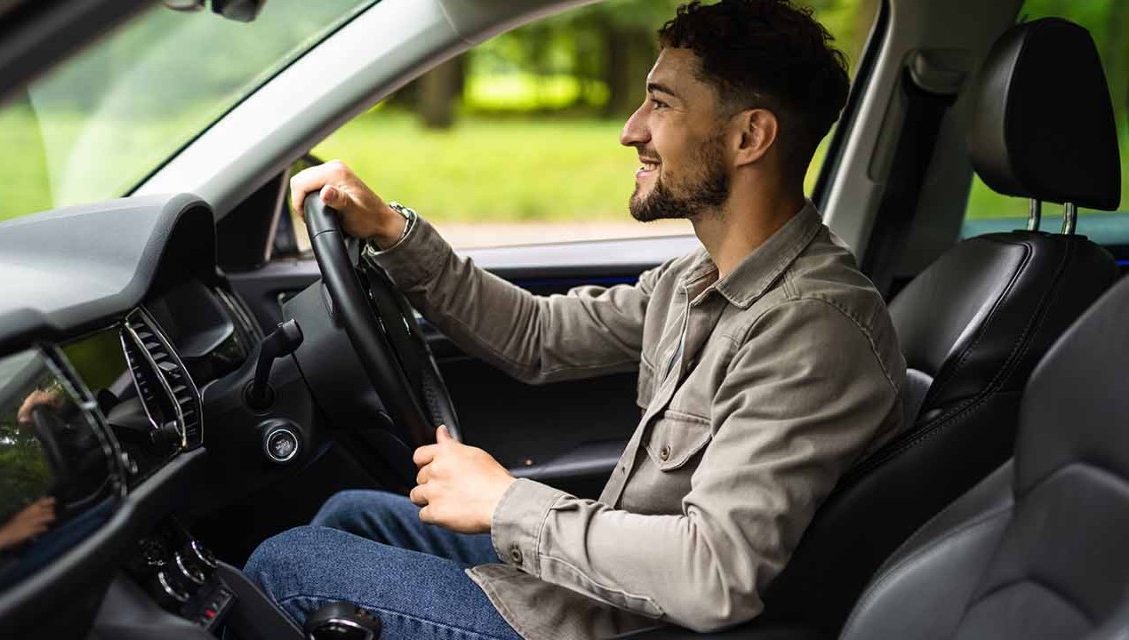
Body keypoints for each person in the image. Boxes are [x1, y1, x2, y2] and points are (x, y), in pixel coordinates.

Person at [244, 1, 905, 638]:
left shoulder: (812, 329)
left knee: (289, 564)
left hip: (623, 625)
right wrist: (393, 233)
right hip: (591, 589)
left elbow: (713, 576)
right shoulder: (697, 279)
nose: (631, 129)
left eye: (662, 103)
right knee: (349, 514)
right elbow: (537, 336)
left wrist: (505, 502)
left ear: (749, 136)